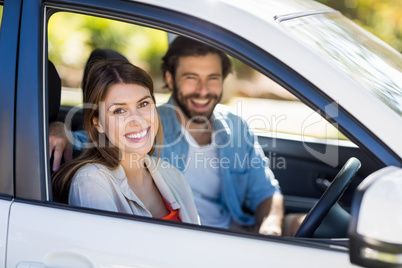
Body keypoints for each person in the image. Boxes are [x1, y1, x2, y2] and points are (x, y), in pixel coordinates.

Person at [157, 36, 284, 235]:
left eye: (212, 78)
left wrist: (271, 227)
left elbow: (266, 192)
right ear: (170, 79)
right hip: (175, 243)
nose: (203, 91)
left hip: (233, 235)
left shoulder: (237, 127)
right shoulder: (147, 129)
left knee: (304, 225)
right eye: (191, 78)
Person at [52, 59, 200, 224]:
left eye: (143, 104)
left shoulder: (173, 175)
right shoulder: (91, 182)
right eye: (119, 110)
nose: (136, 120)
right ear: (98, 124)